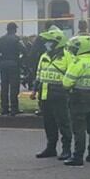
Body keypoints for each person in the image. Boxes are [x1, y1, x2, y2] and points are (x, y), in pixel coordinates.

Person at [62, 35, 90, 166]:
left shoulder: (78, 62)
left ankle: (78, 157)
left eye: (75, 48)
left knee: (79, 128)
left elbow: (66, 83)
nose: (73, 50)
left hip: (78, 97)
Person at [31, 27, 73, 160]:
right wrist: (34, 90)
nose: (46, 44)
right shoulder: (44, 56)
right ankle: (51, 148)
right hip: (44, 94)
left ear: (57, 43)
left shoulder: (67, 57)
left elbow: (71, 76)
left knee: (63, 123)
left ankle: (66, 149)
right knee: (49, 123)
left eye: (50, 41)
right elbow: (39, 75)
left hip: (60, 95)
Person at [0, 22, 24, 116]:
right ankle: (14, 109)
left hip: (3, 65)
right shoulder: (17, 39)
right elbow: (25, 51)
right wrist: (20, 62)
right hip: (14, 65)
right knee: (14, 88)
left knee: (4, 87)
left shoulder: (0, 40)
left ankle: (4, 108)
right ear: (14, 29)